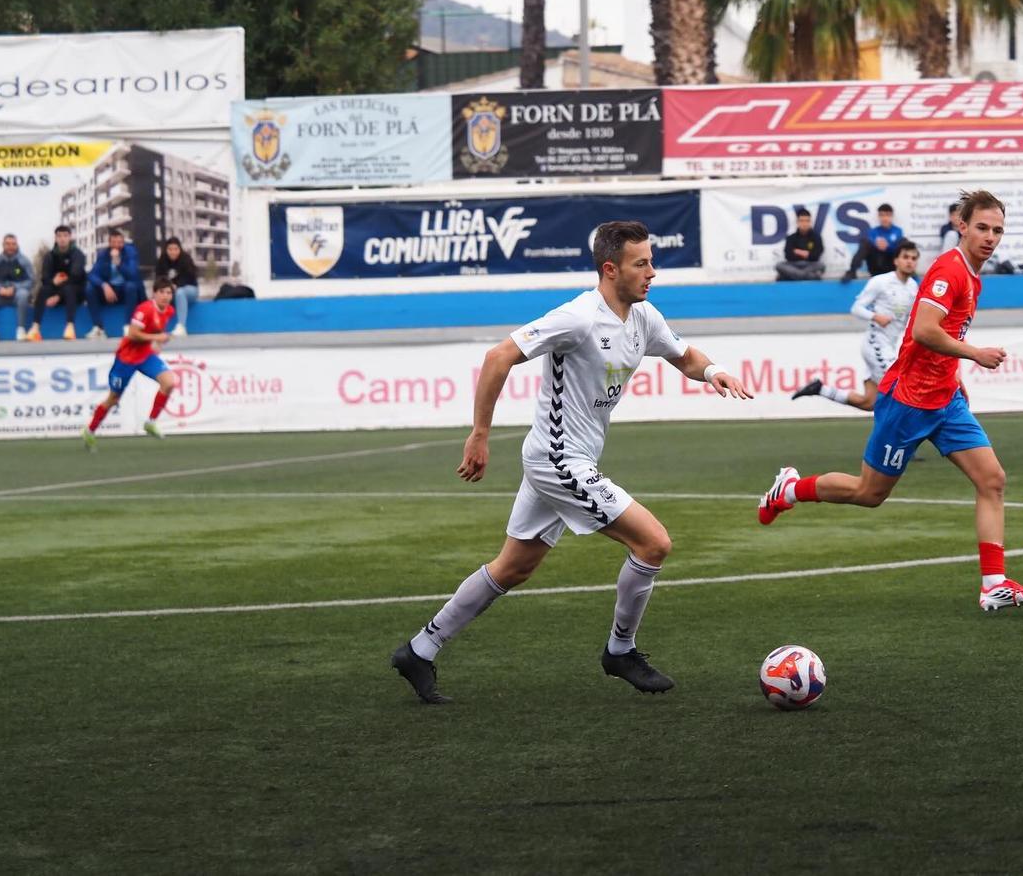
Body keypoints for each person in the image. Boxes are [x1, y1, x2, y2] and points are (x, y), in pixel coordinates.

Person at [390, 220, 754, 704]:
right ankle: (620, 651)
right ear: (610, 269)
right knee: (653, 543)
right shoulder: (579, 317)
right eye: (641, 264)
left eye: (651, 262)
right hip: (558, 459)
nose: (652, 273)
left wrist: (714, 371)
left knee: (513, 567)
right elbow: (499, 357)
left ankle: (419, 650)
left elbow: (684, 355)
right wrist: (480, 434)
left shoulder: (643, 317)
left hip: (565, 458)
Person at [758, 190, 1023, 613]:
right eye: (982, 227)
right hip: (908, 402)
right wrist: (975, 355)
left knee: (992, 480)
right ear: (961, 226)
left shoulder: (973, 274)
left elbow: (945, 332)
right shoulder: (950, 270)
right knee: (869, 493)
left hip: (945, 400)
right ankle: (791, 489)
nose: (990, 237)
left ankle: (994, 584)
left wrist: (955, 374)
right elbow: (926, 330)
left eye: (997, 230)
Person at [792, 239, 920, 412]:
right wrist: (875, 316)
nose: (909, 261)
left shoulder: (913, 287)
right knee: (901, 387)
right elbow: (856, 308)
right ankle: (900, 430)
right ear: (896, 260)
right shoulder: (880, 282)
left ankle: (820, 389)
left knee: (869, 402)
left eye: (913, 258)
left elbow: (910, 319)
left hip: (889, 346)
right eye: (905, 257)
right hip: (875, 344)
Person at [82, 276, 177, 450]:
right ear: (154, 294)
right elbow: (133, 334)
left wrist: (156, 344)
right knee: (113, 399)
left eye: (169, 293)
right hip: (126, 358)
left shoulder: (169, 311)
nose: (165, 296)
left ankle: (150, 422)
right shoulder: (144, 309)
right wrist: (157, 337)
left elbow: (157, 330)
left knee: (169, 382)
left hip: (146, 356)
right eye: (162, 292)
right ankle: (89, 431)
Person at [28, 225, 87, 341]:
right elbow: (45, 278)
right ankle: (35, 328)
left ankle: (70, 327)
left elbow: (75, 277)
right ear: (55, 238)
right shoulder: (49, 256)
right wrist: (53, 282)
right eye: (59, 236)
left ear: (70, 237)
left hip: (76, 293)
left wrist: (58, 296)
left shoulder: (78, 254)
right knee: (43, 290)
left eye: (65, 236)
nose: (62, 239)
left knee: (69, 288)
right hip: (56, 290)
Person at [85, 229, 143, 338]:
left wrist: (119, 263)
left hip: (124, 290)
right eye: (114, 242)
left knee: (131, 286)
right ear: (109, 243)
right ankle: (98, 328)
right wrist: (104, 285)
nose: (116, 245)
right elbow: (92, 275)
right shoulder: (103, 254)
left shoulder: (130, 252)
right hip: (109, 291)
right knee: (89, 288)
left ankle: (127, 327)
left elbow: (133, 275)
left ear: (123, 243)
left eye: (119, 242)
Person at [843, 203, 904, 282]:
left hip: (891, 266)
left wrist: (887, 247)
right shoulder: (873, 231)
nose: (885, 218)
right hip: (876, 265)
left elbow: (896, 248)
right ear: (878, 216)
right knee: (865, 242)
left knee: (904, 242)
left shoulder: (898, 231)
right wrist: (878, 245)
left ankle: (907, 271)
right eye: (882, 215)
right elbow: (872, 245)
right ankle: (852, 271)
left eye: (887, 215)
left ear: (892, 216)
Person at [155, 237, 198, 336]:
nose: (173, 252)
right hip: (170, 292)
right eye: (170, 249)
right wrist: (167, 287)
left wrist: (177, 285)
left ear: (180, 249)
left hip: (189, 290)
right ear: (166, 250)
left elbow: (191, 278)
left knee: (180, 292)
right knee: (158, 294)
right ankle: (156, 326)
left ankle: (181, 327)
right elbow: (158, 279)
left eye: (176, 249)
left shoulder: (186, 259)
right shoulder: (162, 260)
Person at [0, 233, 34, 341]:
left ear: (17, 245)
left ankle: (21, 329)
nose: (10, 247)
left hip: (17, 295)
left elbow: (31, 280)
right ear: (3, 245)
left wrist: (14, 288)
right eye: (8, 244)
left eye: (13, 244)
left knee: (23, 294)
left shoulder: (24, 261)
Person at [775, 208, 825, 281]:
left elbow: (816, 255)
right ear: (797, 222)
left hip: (810, 265)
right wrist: (806, 254)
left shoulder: (816, 237)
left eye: (807, 221)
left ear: (810, 222)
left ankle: (792, 276)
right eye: (802, 221)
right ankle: (810, 276)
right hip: (793, 265)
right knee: (779, 265)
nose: (804, 224)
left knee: (821, 265)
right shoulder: (791, 238)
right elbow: (788, 255)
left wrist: (797, 251)